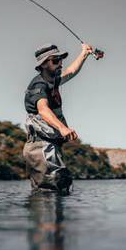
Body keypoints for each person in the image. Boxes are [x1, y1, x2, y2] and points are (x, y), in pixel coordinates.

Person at [23, 42, 92, 193]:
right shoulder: (38, 85)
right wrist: (62, 128)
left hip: (50, 146)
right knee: (50, 193)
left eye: (60, 60)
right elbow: (43, 109)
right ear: (43, 65)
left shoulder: (53, 81)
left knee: (62, 189)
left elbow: (70, 71)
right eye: (55, 61)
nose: (60, 63)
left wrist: (84, 54)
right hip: (40, 146)